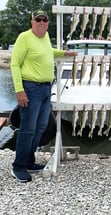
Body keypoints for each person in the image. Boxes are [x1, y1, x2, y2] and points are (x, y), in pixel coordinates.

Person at [10, 9, 77, 183]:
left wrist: (64, 53)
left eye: (44, 20)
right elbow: (15, 64)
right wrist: (19, 90)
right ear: (31, 22)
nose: (41, 22)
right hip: (30, 89)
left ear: (47, 22)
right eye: (37, 19)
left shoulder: (45, 37)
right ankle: (18, 166)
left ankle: (29, 162)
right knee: (27, 129)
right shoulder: (24, 38)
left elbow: (48, 52)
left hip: (47, 89)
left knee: (40, 128)